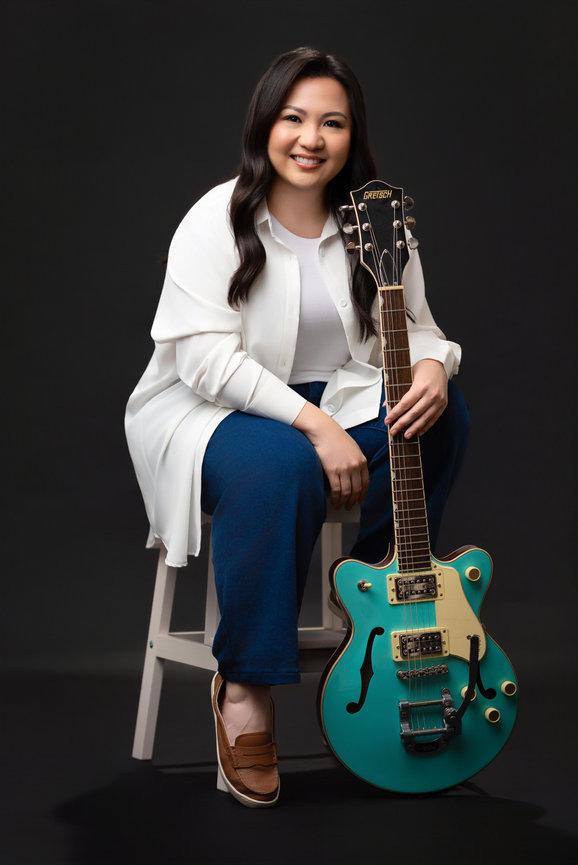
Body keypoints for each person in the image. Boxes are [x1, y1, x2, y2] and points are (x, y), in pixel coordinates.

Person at [125, 47, 469, 808]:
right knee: (277, 464)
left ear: (354, 135)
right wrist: (316, 427)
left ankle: (379, 602)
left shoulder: (374, 219)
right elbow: (208, 363)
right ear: (266, 125)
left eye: (332, 122)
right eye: (294, 118)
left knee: (437, 418)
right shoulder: (218, 218)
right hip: (210, 408)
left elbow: (418, 328)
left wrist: (439, 365)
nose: (311, 138)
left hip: (336, 398)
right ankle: (245, 684)